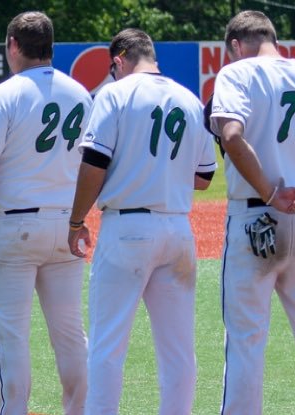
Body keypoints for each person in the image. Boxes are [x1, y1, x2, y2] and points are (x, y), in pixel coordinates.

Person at [66, 28, 217, 414]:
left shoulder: (114, 94)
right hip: (177, 229)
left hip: (127, 229)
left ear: (119, 60)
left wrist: (76, 220)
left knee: (108, 345)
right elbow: (204, 178)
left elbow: (95, 163)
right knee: (178, 349)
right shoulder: (187, 97)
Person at [0, 11, 87, 415]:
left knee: (11, 333)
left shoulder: (4, 95)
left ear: (14, 44)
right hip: (66, 222)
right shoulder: (80, 93)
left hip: (14, 225)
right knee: (70, 334)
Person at [209, 10, 295, 414]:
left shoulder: (237, 74)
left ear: (237, 46)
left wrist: (271, 191)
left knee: (246, 338)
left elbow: (231, 134)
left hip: (257, 215)